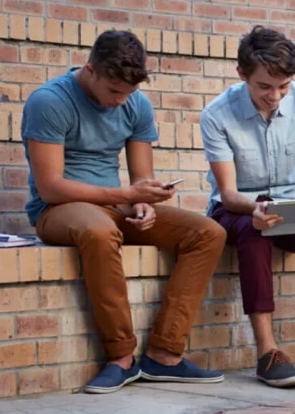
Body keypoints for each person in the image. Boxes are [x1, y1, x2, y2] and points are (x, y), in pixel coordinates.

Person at [20, 30, 227, 394]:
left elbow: (141, 177)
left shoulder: (135, 103)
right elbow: (50, 185)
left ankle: (165, 354)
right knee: (99, 230)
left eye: (129, 93)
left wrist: (144, 201)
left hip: (115, 205)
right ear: (90, 70)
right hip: (58, 210)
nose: (121, 101)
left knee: (208, 232)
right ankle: (121, 358)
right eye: (114, 91)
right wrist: (125, 194)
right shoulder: (49, 101)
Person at [198, 26, 295, 388]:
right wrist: (255, 209)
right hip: (236, 207)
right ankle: (268, 353)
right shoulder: (217, 114)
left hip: (290, 199)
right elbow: (229, 192)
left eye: (283, 86)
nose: (276, 96)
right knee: (255, 234)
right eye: (265, 87)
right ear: (242, 75)